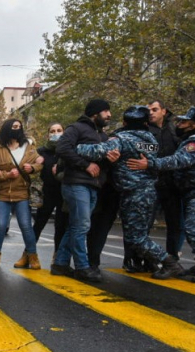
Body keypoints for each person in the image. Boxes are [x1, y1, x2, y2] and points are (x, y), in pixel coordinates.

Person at [76, 106, 184, 279]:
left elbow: (96, 151)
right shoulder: (151, 141)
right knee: (138, 234)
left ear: (125, 122)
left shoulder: (121, 139)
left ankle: (169, 263)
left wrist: (76, 146)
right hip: (147, 192)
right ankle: (163, 262)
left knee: (136, 238)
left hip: (133, 193)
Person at [127, 107, 195, 284]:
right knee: (191, 227)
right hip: (189, 190)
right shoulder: (189, 139)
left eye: (183, 122)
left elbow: (178, 161)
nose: (179, 124)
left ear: (192, 125)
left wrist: (149, 164)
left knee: (193, 227)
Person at [51, 99, 112, 282]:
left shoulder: (104, 136)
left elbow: (103, 161)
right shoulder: (76, 128)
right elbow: (62, 148)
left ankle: (60, 264)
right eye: (106, 111)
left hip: (93, 186)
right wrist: (85, 165)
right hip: (76, 184)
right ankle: (82, 267)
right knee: (82, 226)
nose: (109, 115)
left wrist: (110, 158)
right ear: (95, 113)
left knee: (75, 226)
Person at [0, 118, 43, 269]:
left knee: (25, 225)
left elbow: (39, 163)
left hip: (21, 192)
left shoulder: (28, 147)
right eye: (14, 127)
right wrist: (4, 174)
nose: (17, 129)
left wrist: (32, 168)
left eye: (19, 127)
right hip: (2, 193)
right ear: (7, 128)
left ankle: (33, 256)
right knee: (0, 225)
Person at [148, 100, 183, 259]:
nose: (151, 113)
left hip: (172, 184)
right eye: (149, 110)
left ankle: (172, 258)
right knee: (146, 223)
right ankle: (141, 258)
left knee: (174, 224)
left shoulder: (174, 130)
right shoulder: (145, 130)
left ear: (164, 111)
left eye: (155, 109)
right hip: (150, 184)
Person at [32, 123, 67, 259]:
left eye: (59, 130)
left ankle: (57, 257)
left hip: (64, 193)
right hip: (47, 192)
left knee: (61, 226)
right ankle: (29, 253)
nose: (55, 133)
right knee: (39, 224)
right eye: (52, 131)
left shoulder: (67, 150)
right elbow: (33, 166)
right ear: (48, 135)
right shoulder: (42, 151)